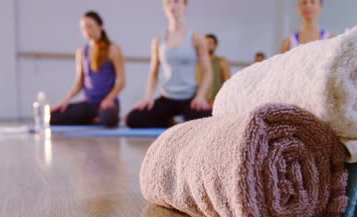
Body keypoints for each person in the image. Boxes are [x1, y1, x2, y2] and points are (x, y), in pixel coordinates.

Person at [126, 0, 212, 128]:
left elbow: (208, 72)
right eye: (168, 3)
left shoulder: (197, 38)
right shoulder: (158, 39)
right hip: (166, 98)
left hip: (189, 98)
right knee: (133, 119)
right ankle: (173, 122)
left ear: (185, 5)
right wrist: (148, 96)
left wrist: (200, 96)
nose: (172, 6)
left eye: (176, 2)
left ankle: (178, 122)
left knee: (208, 120)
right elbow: (153, 72)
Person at [51, 11, 126, 128]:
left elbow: (121, 81)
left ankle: (95, 118)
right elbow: (79, 83)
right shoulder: (81, 52)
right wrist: (65, 100)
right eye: (83, 28)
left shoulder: (113, 49)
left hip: (106, 103)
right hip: (89, 104)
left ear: (101, 27)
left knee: (108, 119)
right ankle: (92, 118)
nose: (87, 31)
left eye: (90, 27)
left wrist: (109, 99)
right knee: (52, 117)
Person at [196, 34, 230, 106]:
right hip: (199, 101)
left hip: (214, 102)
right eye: (205, 43)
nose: (207, 45)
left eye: (210, 43)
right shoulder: (196, 61)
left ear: (215, 45)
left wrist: (219, 99)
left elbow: (227, 82)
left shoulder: (221, 61)